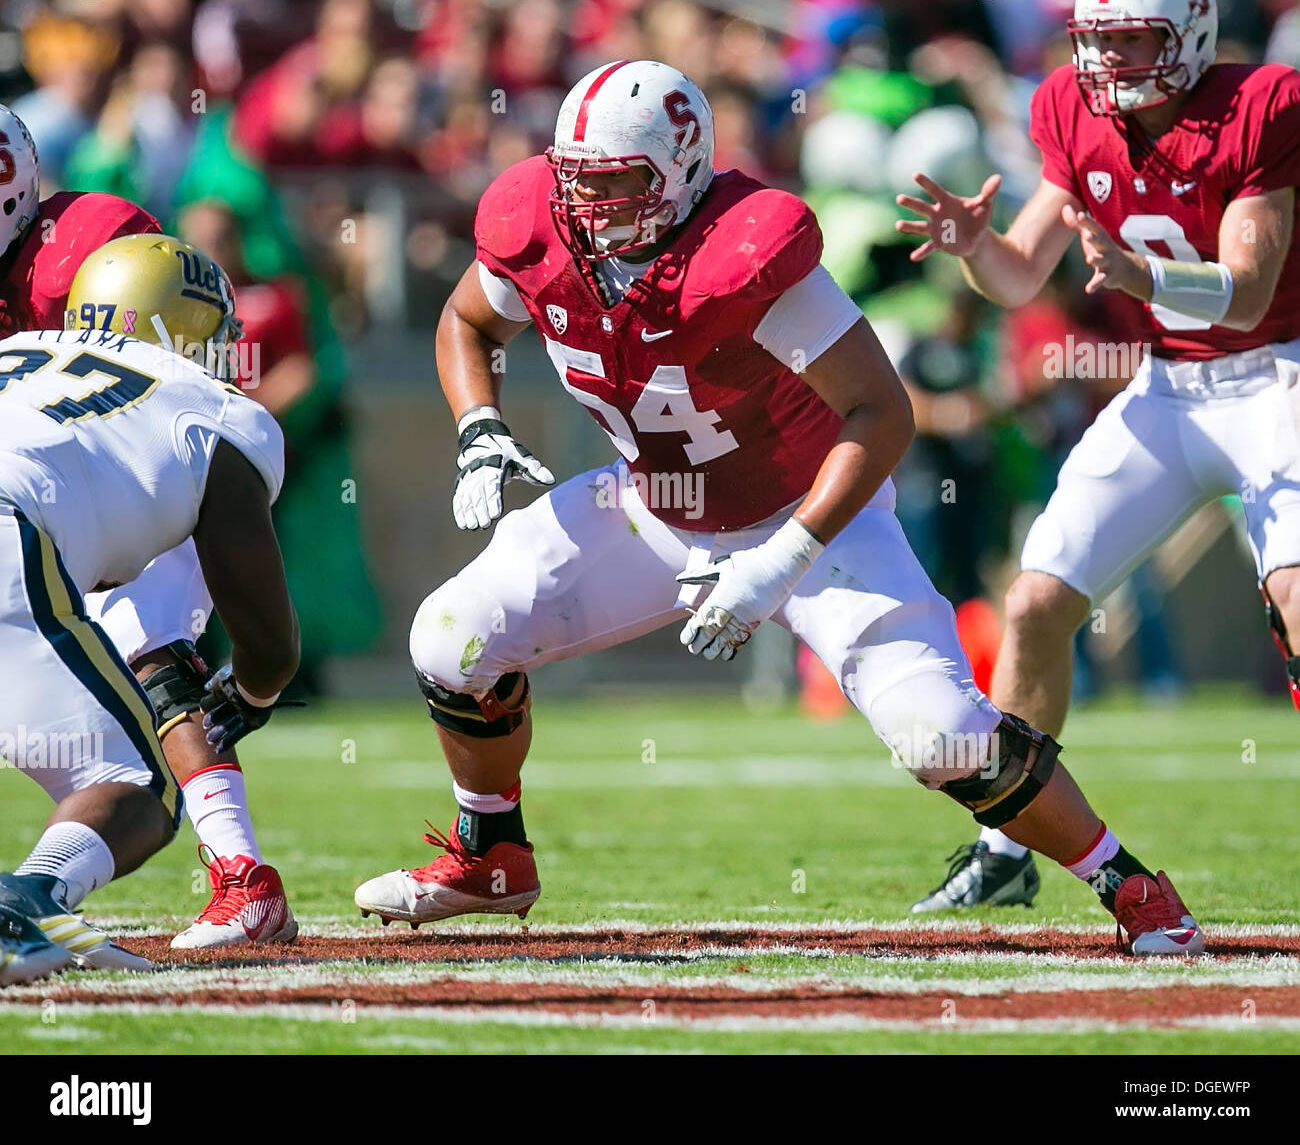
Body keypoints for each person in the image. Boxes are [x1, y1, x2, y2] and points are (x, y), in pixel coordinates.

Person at [354, 58, 1202, 956]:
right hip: (653, 504)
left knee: (943, 736)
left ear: (678, 171)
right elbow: (468, 319)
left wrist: (784, 556)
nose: (588, 207)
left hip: (810, 512)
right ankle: (492, 857)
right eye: (577, 181)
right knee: (449, 639)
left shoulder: (743, 252)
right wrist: (478, 427)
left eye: (614, 184)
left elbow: (883, 411)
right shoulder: (542, 226)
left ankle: (1133, 884)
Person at [897, 0, 1300, 911]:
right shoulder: (1071, 112)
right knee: (1036, 602)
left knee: (1294, 590)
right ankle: (1006, 841)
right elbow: (1017, 274)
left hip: (1276, 373)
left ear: (1193, 36)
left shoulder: (1263, 105)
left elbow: (1245, 296)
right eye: (1098, 43)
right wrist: (971, 247)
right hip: (1168, 388)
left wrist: (1140, 277)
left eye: (1133, 42)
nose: (1110, 64)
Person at [0, 103, 298, 948]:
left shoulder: (83, 250)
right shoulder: (215, 408)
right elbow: (274, 649)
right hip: (48, 502)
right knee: (126, 772)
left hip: (85, 482)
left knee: (148, 645)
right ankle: (29, 900)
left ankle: (241, 874)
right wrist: (256, 688)